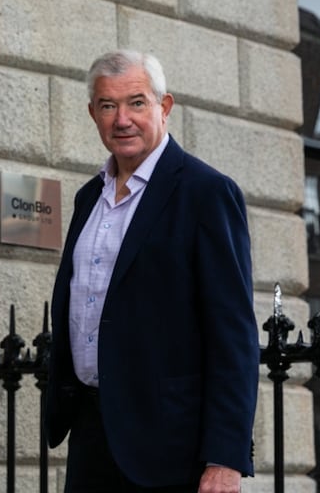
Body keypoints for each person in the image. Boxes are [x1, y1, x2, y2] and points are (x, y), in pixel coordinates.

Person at [45, 50, 260, 492]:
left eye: (137, 103)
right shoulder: (89, 198)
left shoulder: (206, 194)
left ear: (164, 108)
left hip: (169, 448)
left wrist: (225, 458)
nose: (122, 118)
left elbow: (233, 336)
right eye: (108, 106)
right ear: (93, 114)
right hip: (91, 434)